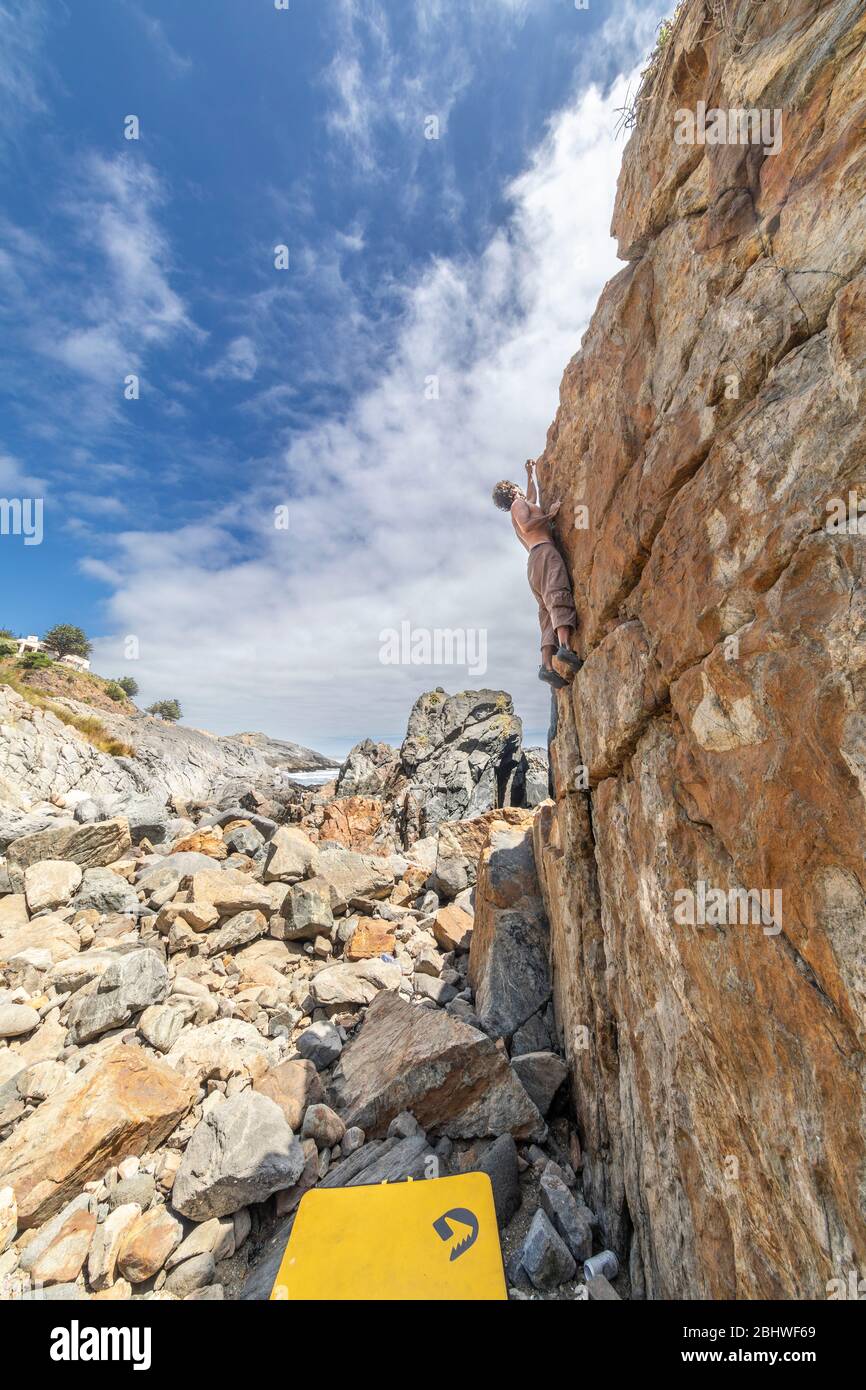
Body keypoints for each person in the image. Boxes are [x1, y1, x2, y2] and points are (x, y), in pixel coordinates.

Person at [492, 459, 582, 689]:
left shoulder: (521, 505)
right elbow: (527, 525)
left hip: (534, 561)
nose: (522, 490)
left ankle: (547, 667)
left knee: (545, 612)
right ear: (513, 491)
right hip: (544, 552)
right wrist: (550, 516)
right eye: (518, 487)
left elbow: (531, 499)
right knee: (557, 593)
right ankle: (565, 648)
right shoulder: (518, 505)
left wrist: (530, 475)